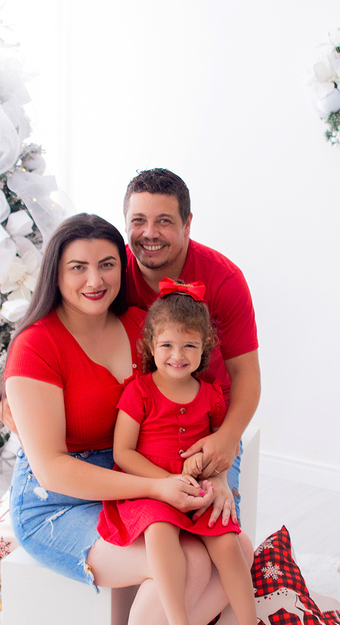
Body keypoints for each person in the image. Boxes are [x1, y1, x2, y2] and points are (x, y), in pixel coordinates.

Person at [0, 213, 250, 625]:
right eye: (77, 267)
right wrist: (157, 487)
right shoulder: (36, 346)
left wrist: (214, 473)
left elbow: (187, 411)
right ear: (55, 275)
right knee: (183, 562)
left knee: (236, 548)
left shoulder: (136, 326)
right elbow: (55, 470)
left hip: (136, 480)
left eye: (107, 264)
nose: (95, 280)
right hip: (59, 501)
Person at [98, 279, 269, 625]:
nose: (178, 356)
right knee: (160, 531)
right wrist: (165, 483)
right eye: (168, 346)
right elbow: (123, 453)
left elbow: (220, 450)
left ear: (204, 348)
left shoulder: (210, 395)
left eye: (190, 347)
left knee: (228, 543)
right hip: (150, 489)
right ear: (151, 346)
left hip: (198, 487)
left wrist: (217, 477)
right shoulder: (138, 392)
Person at [122, 169, 261, 499]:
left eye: (165, 221)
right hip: (140, 427)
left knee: (218, 524)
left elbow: (247, 374)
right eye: (138, 220)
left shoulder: (224, 280)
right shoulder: (111, 273)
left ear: (187, 224)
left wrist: (227, 437)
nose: (150, 233)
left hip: (205, 428)